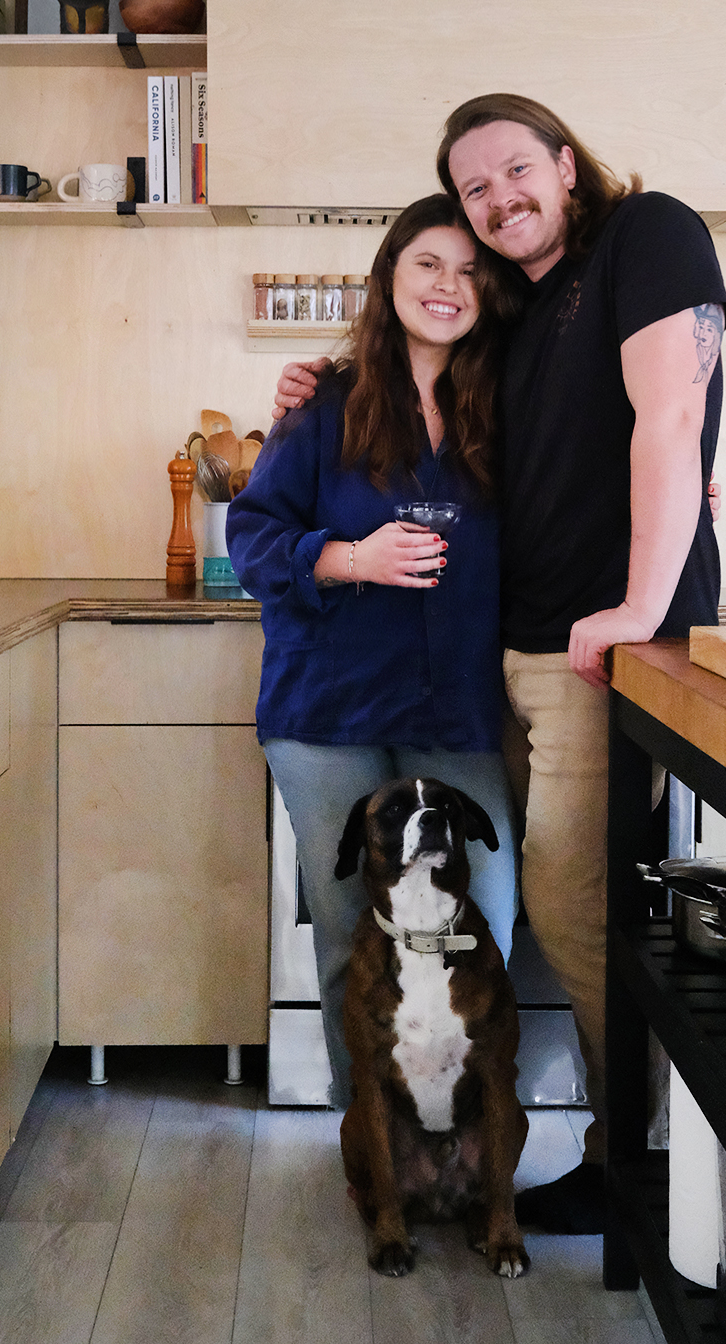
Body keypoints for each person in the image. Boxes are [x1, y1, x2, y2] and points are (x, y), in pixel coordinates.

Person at [275, 95, 726, 1232]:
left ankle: (652, 1160)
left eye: (514, 171)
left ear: (566, 164)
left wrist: (645, 591)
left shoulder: (652, 232)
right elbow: (566, 450)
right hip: (513, 660)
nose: (498, 202)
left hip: (594, 648)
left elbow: (671, 416)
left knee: (566, 900)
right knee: (533, 904)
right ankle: (449, 1150)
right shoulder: (514, 323)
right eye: (473, 193)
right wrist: (312, 401)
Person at [228, 193, 522, 1108]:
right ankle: (374, 1145)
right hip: (328, 714)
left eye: (471, 270)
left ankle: (470, 1141)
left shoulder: (513, 408)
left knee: (487, 922)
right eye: (428, 263)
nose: (448, 285)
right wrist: (351, 558)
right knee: (351, 932)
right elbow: (252, 536)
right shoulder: (325, 405)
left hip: (459, 711)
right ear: (390, 274)